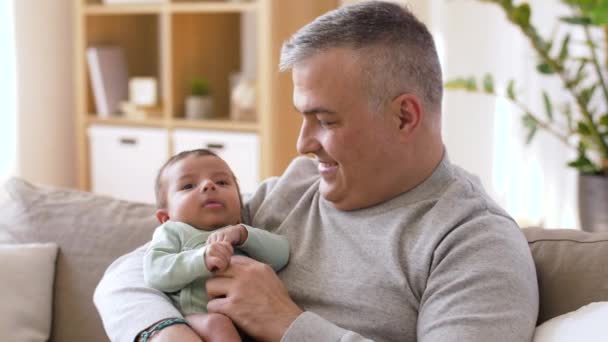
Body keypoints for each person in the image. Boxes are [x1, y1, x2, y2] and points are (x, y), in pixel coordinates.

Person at [94, 1, 539, 341]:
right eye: (302, 117)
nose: (302, 143)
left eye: (325, 121)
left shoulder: (472, 242)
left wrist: (288, 324)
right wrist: (168, 332)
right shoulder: (291, 190)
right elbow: (127, 274)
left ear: (404, 117)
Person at [142, 149, 289, 341]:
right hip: (197, 319)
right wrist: (202, 258)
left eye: (222, 182)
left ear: (240, 204)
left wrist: (244, 234)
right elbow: (155, 273)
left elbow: (282, 255)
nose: (209, 185)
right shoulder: (173, 232)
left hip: (250, 320)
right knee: (217, 324)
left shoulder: (241, 232)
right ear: (166, 217)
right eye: (188, 185)